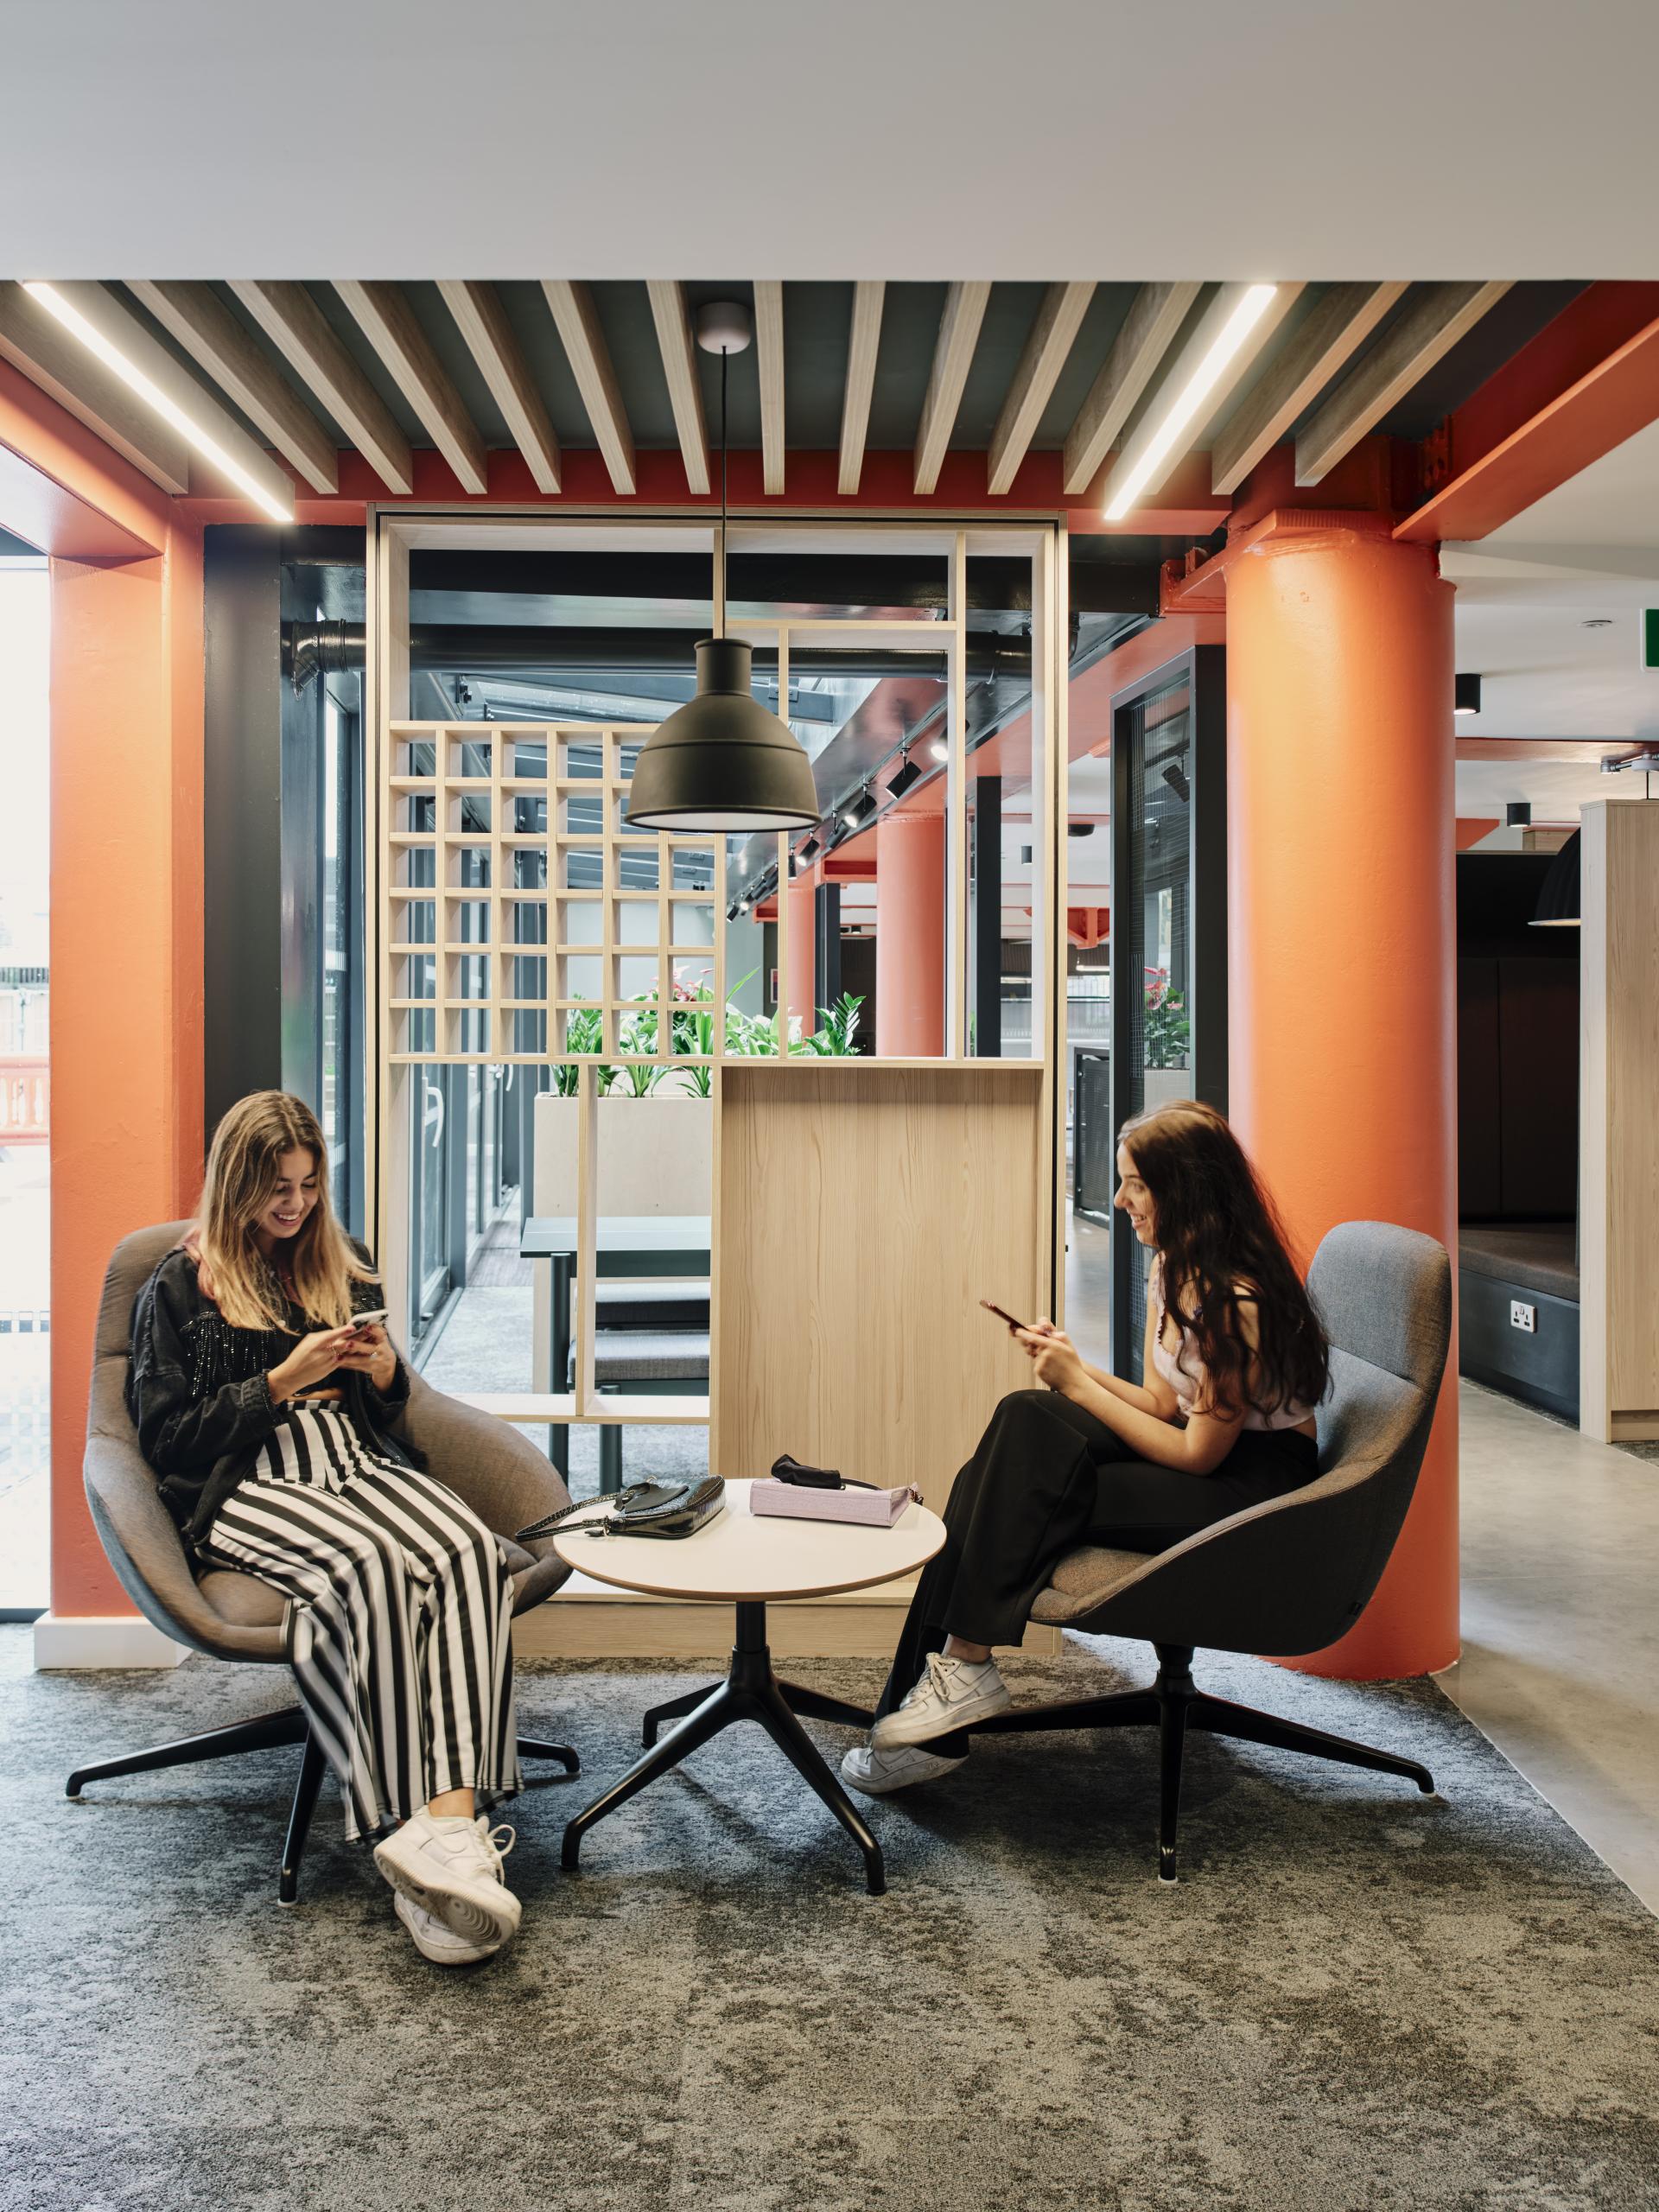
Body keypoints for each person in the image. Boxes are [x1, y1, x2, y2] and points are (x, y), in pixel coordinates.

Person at [127, 1090, 524, 1966]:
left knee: (466, 1548)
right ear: (236, 1184)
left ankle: (451, 1827)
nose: (295, 1204)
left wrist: (384, 1374)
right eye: (276, 1187)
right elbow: (164, 1439)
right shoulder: (177, 1285)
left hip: (352, 1454)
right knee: (372, 1565)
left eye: (307, 1184)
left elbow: (387, 1410)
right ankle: (400, 1833)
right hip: (251, 1474)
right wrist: (276, 1381)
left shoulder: (343, 1261)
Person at [842, 1098, 1331, 1796]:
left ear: (1185, 1191)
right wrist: (1076, 1370)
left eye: (1137, 1183)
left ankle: (953, 1682)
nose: (1119, 1199)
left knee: (1022, 1482)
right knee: (1024, 1420)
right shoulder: (1172, 1269)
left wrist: (1078, 1384)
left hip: (1253, 1486)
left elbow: (1199, 1454)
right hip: (1204, 1456)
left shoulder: (1234, 1302)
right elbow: (1164, 1404)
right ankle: (944, 1685)